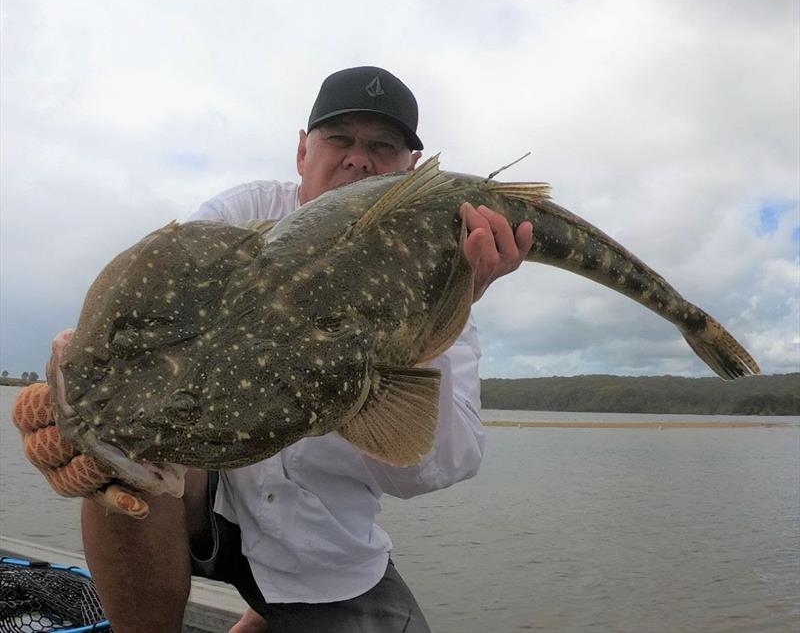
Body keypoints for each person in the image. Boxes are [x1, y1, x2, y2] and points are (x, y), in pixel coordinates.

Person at [19, 66, 533, 633]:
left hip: (322, 543)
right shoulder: (240, 218)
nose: (359, 159)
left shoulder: (447, 270)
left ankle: (264, 616)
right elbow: (150, 326)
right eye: (339, 138)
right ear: (301, 151)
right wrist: (77, 360)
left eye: (382, 146)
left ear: (411, 170)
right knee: (120, 461)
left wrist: (436, 312)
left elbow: (434, 466)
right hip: (204, 485)